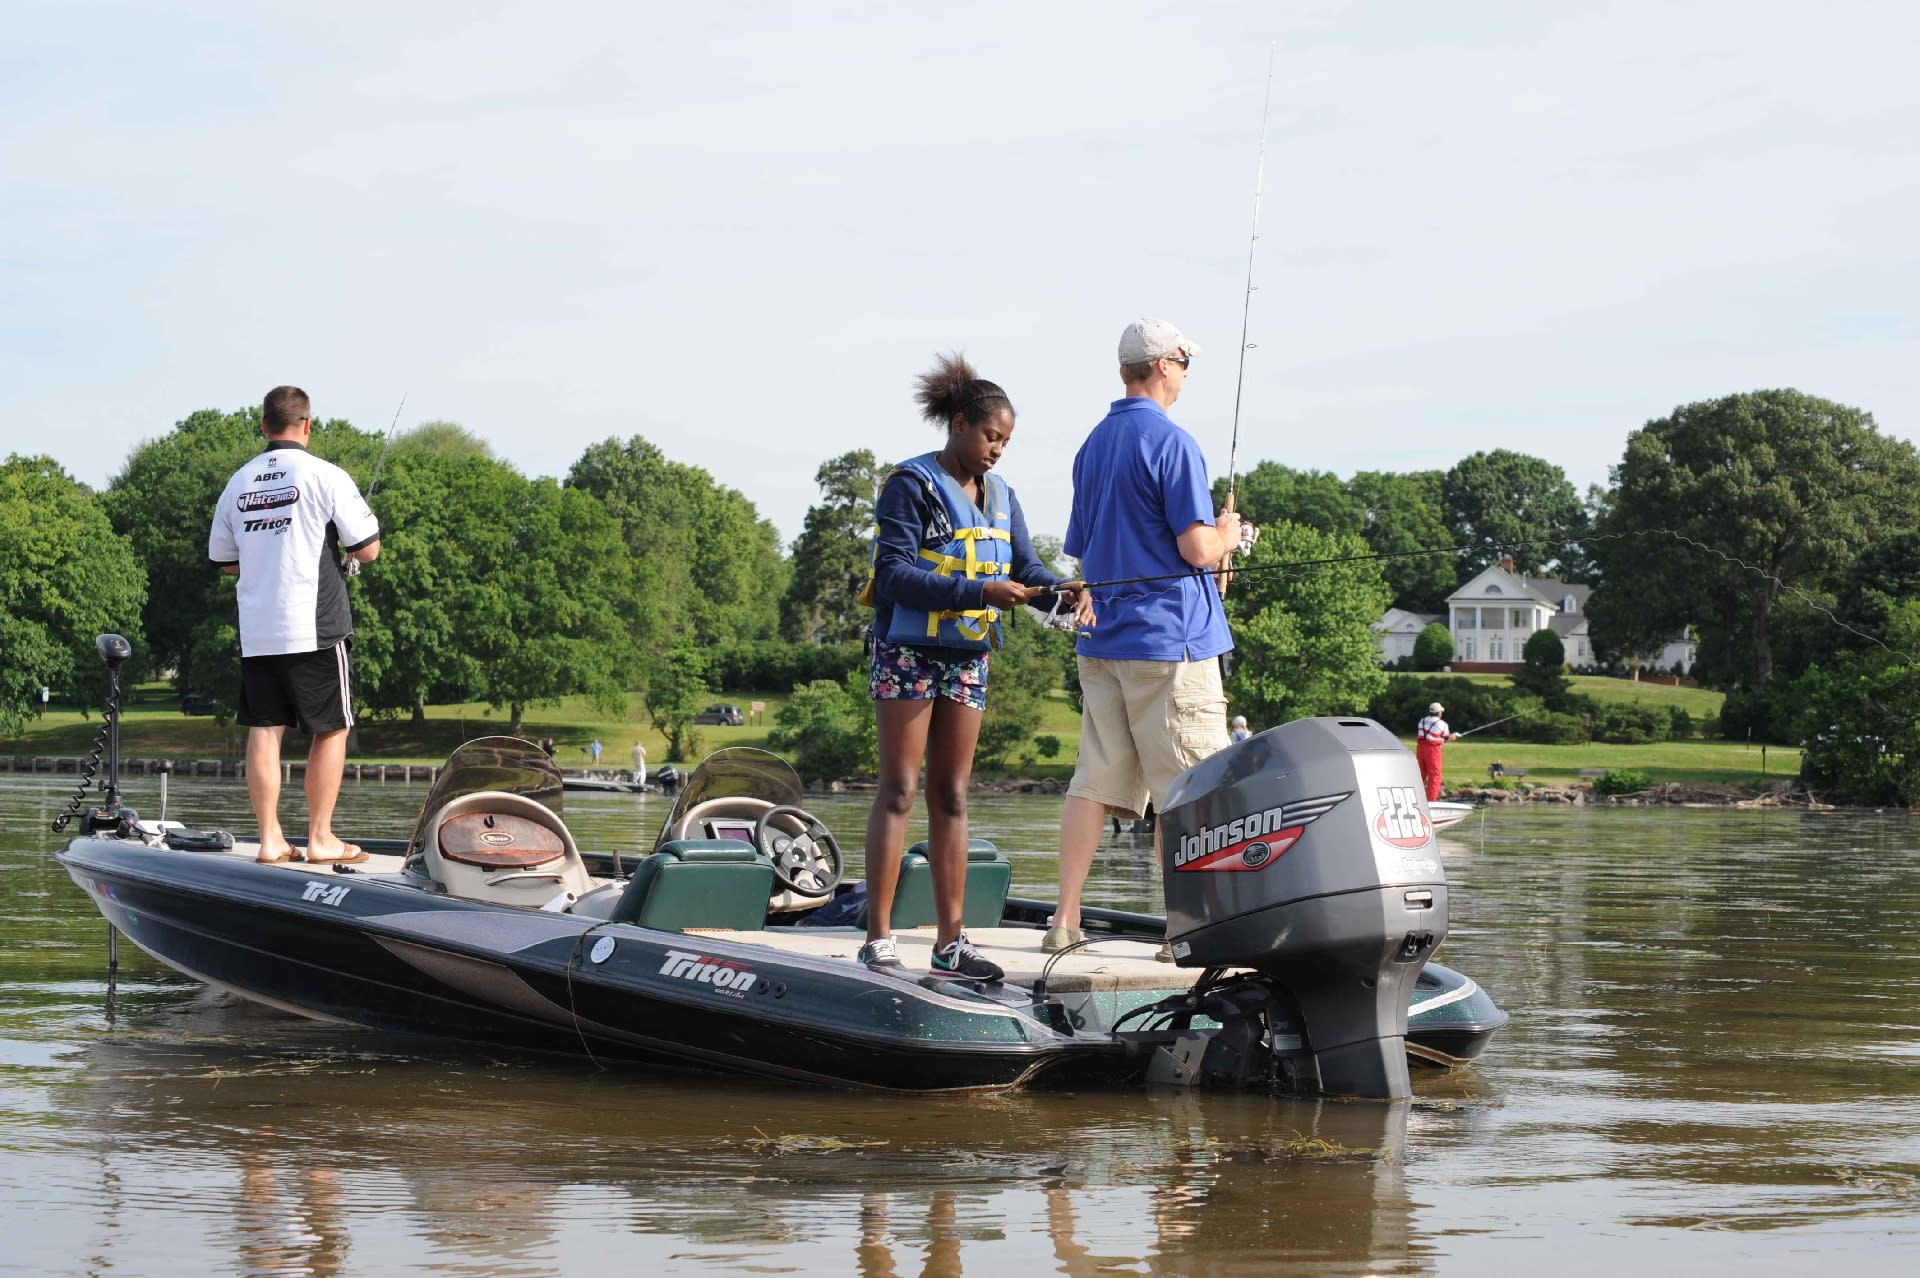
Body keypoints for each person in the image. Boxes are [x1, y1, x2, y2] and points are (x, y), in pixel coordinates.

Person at [857, 352, 1091, 980]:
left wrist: (1060, 589)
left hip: (966, 658)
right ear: (959, 424)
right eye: (991, 436)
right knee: (900, 789)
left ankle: (950, 944)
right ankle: (878, 939)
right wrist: (978, 593)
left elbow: (1025, 569)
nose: (997, 451)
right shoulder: (911, 484)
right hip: (907, 652)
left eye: (1006, 442)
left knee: (953, 795)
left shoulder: (1003, 496)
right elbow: (894, 574)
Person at [1046, 319, 1254, 953]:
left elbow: (1081, 552)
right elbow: (1196, 548)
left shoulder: (1091, 445)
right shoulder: (1174, 443)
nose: (1188, 372)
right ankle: (1184, 930)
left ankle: (1065, 920)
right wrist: (1229, 534)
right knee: (1188, 791)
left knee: (1093, 781)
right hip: (1171, 645)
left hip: (1103, 642)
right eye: (1186, 360)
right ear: (1164, 365)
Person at [207, 385, 380, 865]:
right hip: (317, 628)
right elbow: (367, 548)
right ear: (307, 425)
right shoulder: (326, 475)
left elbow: (224, 560)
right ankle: (320, 838)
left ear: (263, 426)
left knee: (265, 728)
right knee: (332, 729)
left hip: (259, 629)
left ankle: (270, 840)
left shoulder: (238, 483)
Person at [1416, 701, 1458, 801]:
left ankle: (1415, 799)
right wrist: (1453, 737)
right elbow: (1446, 737)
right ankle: (1431, 801)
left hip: (1421, 749)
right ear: (1439, 713)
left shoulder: (1422, 721)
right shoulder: (1442, 724)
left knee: (1419, 774)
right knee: (1434, 776)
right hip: (1433, 751)